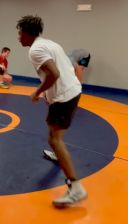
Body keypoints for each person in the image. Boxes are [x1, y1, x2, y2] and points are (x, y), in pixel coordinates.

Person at [17, 15, 87, 208]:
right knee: (55, 134)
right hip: (71, 91)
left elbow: (54, 74)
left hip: (64, 97)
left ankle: (76, 188)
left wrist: (38, 92)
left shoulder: (35, 50)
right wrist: (49, 94)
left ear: (27, 33)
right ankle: (58, 153)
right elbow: (67, 68)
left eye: (20, 33)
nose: (18, 37)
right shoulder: (49, 43)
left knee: (54, 139)